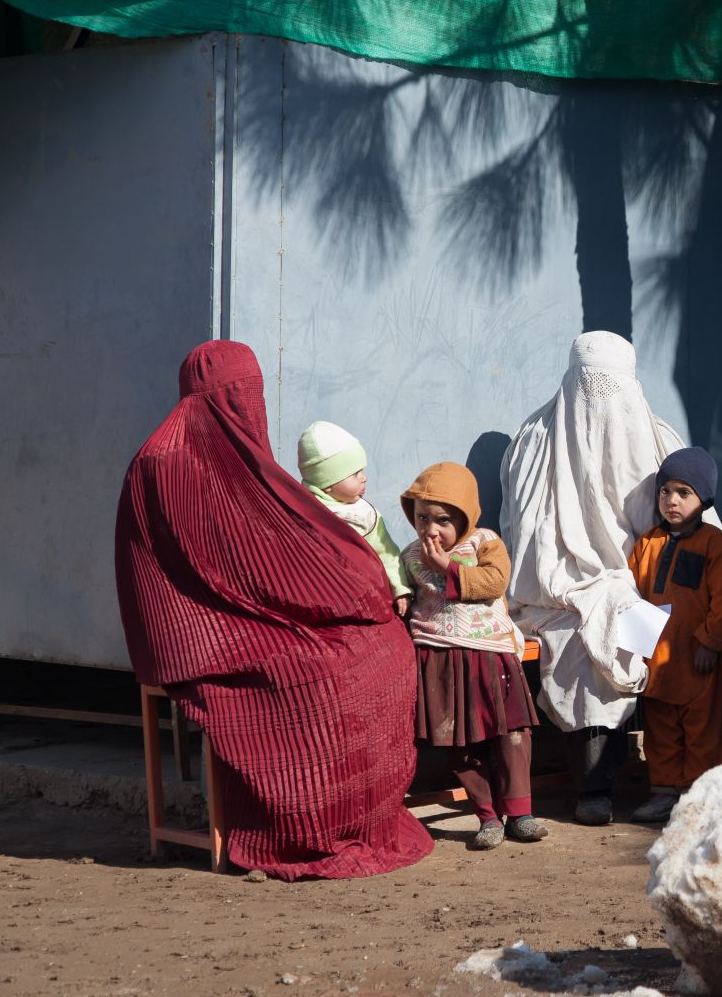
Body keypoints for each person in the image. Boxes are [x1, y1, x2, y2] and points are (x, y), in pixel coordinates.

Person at [114, 341, 432, 880]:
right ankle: (307, 826)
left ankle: (354, 816)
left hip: (239, 620)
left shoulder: (216, 454)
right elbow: (266, 564)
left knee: (376, 647)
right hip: (207, 636)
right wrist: (362, 591)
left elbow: (283, 555)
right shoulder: (172, 462)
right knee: (327, 670)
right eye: (248, 395)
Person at [500, 331, 722, 825]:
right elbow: (524, 530)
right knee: (583, 643)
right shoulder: (535, 441)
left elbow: (705, 536)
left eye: (611, 387)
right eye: (589, 386)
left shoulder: (659, 435)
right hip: (562, 587)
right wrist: (591, 585)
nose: (600, 401)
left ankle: (713, 779)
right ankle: (594, 787)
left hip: (662, 588)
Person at [400, 462, 547, 850]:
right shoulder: (411, 556)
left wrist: (447, 567)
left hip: (491, 656)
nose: (430, 529)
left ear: (465, 516)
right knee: (459, 743)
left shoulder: (484, 543)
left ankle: (521, 813)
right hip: (442, 661)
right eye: (422, 518)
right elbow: (398, 587)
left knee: (512, 735)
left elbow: (493, 582)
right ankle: (486, 816)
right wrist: (399, 594)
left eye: (443, 519)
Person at [627, 447, 722, 823]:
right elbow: (630, 591)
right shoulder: (647, 543)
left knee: (701, 731)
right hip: (657, 659)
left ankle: (697, 796)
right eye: (665, 491)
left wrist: (710, 642)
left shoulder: (715, 545)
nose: (671, 501)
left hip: (697, 660)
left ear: (704, 497)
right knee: (659, 730)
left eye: (683, 492)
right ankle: (662, 793)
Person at [297, 420, 413, 616]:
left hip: (363, 597)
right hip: (320, 596)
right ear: (328, 483)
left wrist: (400, 588)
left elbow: (387, 553)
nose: (364, 477)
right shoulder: (304, 509)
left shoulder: (364, 515)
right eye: (355, 473)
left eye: (363, 471)